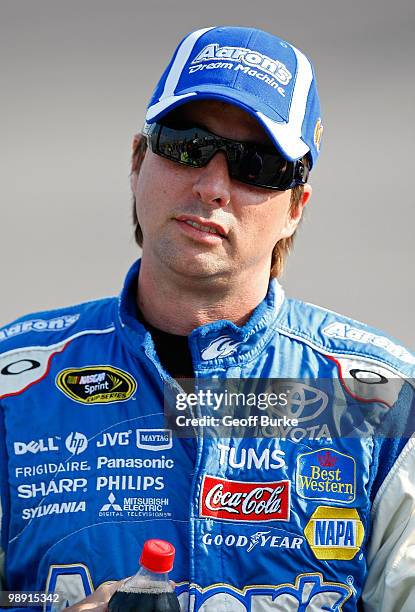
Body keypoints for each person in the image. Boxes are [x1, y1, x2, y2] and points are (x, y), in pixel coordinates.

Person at [0, 25, 414, 612]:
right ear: (139, 159)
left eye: (256, 165)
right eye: (187, 146)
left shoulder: (388, 401)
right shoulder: (15, 385)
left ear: (296, 208)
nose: (213, 186)